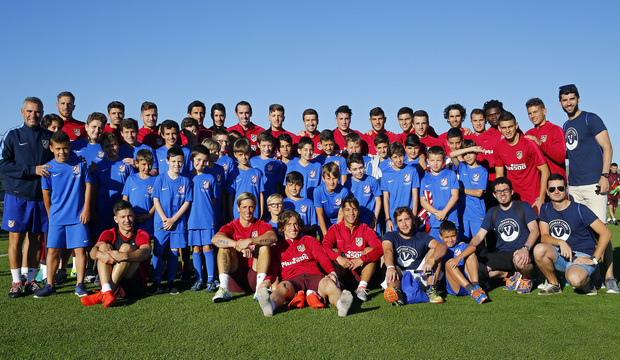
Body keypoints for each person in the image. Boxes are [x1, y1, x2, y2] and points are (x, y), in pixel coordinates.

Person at [559, 84, 616, 289]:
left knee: (601, 231)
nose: (569, 103)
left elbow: (607, 147)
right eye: (565, 100)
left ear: (578, 99)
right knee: (584, 234)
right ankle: (595, 275)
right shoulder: (565, 126)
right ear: (560, 103)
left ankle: (610, 278)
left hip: (594, 184)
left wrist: (604, 175)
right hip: (574, 187)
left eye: (572, 99)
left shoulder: (590, 118)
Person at [1, 97, 53, 297]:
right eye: (30, 111)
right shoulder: (12, 135)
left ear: (42, 112)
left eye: (37, 111)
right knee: (15, 239)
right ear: (22, 112)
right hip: (17, 196)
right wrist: (33, 170)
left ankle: (31, 280)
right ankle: (15, 282)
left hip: (40, 197)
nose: (33, 115)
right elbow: (3, 164)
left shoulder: (49, 136)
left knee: (36, 239)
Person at [256, 210, 353, 317]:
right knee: (282, 287)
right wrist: (267, 281)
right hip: (292, 280)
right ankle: (270, 306)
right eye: (288, 225)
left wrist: (332, 272)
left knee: (329, 284)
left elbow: (322, 257)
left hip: (314, 276)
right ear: (282, 228)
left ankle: (341, 304)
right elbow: (273, 269)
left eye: (295, 224)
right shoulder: (277, 249)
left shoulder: (309, 240)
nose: (293, 228)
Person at [534, 174, 613, 295]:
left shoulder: (580, 209)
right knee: (539, 249)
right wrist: (561, 242)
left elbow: (606, 233)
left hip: (581, 256)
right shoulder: (545, 208)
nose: (556, 192)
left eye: (560, 188)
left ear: (566, 189)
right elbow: (544, 236)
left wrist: (594, 259)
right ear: (547, 192)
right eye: (552, 189)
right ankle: (554, 284)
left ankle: (588, 283)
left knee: (575, 279)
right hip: (560, 254)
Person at [35, 131, 92, 298]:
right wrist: (50, 213)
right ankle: (49, 285)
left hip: (77, 217)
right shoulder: (48, 168)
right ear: (52, 148)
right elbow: (46, 194)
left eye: (65, 148)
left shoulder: (80, 164)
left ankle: (80, 285)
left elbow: (88, 185)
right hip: (57, 217)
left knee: (80, 250)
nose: (62, 152)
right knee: (52, 251)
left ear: (70, 147)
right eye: (58, 148)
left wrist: (86, 208)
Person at [462, 177, 539, 294]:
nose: (502, 193)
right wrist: (468, 248)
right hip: (502, 254)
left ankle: (526, 279)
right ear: (494, 195)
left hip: (521, 251)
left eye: (505, 190)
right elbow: (479, 236)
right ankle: (510, 275)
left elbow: (535, 230)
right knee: (476, 270)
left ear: (512, 191)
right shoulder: (492, 211)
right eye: (498, 191)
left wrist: (526, 248)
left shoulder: (523, 206)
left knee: (520, 260)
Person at [80, 200, 152, 307]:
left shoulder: (141, 234)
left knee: (126, 248)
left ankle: (104, 292)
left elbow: (146, 252)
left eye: (130, 216)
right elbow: (93, 252)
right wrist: (101, 255)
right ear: (116, 219)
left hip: (133, 285)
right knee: (103, 247)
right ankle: (107, 291)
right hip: (113, 281)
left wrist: (124, 255)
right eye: (122, 217)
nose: (127, 220)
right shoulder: (109, 233)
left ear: (134, 216)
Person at [211, 193, 277, 302]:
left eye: (251, 207)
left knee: (264, 247)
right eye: (244, 207)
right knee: (224, 247)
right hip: (236, 276)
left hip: (254, 274)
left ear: (255, 208)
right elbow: (215, 239)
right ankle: (224, 288)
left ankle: (260, 289)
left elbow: (273, 237)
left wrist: (250, 241)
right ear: (238, 208)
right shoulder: (232, 226)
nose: (248, 211)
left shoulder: (260, 224)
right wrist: (237, 245)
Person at [322, 196, 383, 302]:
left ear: (358, 211)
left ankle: (362, 289)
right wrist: (339, 258)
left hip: (361, 273)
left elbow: (379, 249)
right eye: (347, 210)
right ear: (342, 212)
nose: (351, 213)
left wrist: (362, 259)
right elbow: (325, 247)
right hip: (343, 274)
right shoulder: (335, 229)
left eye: (354, 209)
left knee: (370, 250)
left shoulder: (365, 229)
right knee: (334, 251)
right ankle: (337, 288)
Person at [382, 207, 447, 305]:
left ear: (413, 221)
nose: (404, 224)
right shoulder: (390, 236)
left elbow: (442, 247)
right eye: (400, 221)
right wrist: (390, 267)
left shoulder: (422, 236)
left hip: (421, 274)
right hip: (400, 276)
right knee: (392, 266)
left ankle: (431, 290)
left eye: (407, 219)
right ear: (396, 224)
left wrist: (431, 261)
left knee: (435, 250)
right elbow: (388, 250)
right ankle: (396, 293)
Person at [150, 147, 193, 295]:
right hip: (161, 222)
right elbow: (156, 200)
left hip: (178, 223)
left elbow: (187, 202)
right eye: (174, 161)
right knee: (158, 250)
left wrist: (174, 219)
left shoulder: (185, 180)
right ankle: (156, 282)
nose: (177, 164)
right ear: (167, 161)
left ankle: (171, 282)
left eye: (180, 161)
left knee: (175, 251)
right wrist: (164, 219)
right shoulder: (160, 179)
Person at [494, 111, 550, 212]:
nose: (507, 130)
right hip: (514, 200)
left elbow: (545, 171)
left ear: (516, 125)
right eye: (504, 128)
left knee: (536, 227)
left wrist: (542, 198)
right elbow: (499, 176)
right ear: (499, 128)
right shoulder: (498, 147)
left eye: (510, 126)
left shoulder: (529, 143)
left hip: (534, 198)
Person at [187, 145, 218, 292]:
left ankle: (210, 279)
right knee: (196, 248)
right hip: (192, 219)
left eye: (205, 161)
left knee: (208, 246)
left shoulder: (210, 177)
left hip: (207, 218)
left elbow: (213, 199)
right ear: (193, 159)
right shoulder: (186, 177)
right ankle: (199, 279)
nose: (201, 164)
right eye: (198, 160)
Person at [449, 140, 488, 240]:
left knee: (478, 243)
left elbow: (479, 193)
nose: (468, 156)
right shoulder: (462, 167)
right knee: (464, 241)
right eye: (465, 154)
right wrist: (470, 149)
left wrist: (461, 190)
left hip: (476, 213)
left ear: (476, 153)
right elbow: (452, 154)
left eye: (471, 153)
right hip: (463, 213)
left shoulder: (482, 170)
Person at [419, 146, 460, 238]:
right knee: (437, 249)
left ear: (443, 161)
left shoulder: (450, 174)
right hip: (434, 220)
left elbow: (455, 196)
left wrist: (444, 212)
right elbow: (423, 201)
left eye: (438, 160)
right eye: (432, 160)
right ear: (428, 161)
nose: (435, 163)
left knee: (453, 247)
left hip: (450, 218)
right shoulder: (425, 179)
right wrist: (437, 213)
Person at [524, 98, 566, 180]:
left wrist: (540, 144)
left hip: (555, 184)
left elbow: (561, 157)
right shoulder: (528, 134)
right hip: (538, 185)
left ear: (544, 111)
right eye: (529, 113)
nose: (532, 116)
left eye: (535, 112)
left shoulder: (555, 130)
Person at [382, 142, 420, 232]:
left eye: (401, 156)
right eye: (395, 157)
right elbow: (386, 198)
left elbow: (415, 196)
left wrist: (414, 217)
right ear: (390, 158)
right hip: (393, 218)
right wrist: (388, 219)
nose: (399, 160)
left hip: (409, 218)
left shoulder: (412, 171)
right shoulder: (386, 174)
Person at [227, 138, 264, 220]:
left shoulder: (257, 172)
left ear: (250, 153)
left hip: (255, 212)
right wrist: (231, 214)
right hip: (238, 213)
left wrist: (261, 212)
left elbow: (260, 193)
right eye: (240, 154)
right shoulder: (233, 173)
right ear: (235, 154)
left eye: (246, 154)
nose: (244, 157)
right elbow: (230, 196)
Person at [122, 149, 156, 237]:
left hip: (148, 219)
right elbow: (125, 199)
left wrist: (148, 215)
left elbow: (157, 202)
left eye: (149, 164)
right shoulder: (131, 179)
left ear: (153, 163)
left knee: (147, 243)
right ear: (137, 164)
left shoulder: (156, 180)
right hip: (132, 219)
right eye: (143, 164)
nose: (147, 167)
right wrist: (130, 215)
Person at [344, 153, 382, 231]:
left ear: (364, 165)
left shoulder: (372, 180)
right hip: (356, 221)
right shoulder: (348, 184)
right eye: (355, 169)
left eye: (361, 167)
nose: (359, 171)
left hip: (371, 219)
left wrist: (374, 220)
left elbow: (378, 201)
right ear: (349, 170)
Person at [313, 162, 350, 236]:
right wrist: (326, 235)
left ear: (339, 177)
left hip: (338, 220)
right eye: (328, 178)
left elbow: (341, 213)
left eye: (334, 178)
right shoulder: (317, 191)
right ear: (323, 178)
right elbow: (320, 215)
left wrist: (335, 232)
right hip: (324, 220)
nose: (331, 182)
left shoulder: (344, 191)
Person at [249, 131, 285, 204]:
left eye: (269, 145)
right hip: (256, 199)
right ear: (258, 145)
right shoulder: (252, 161)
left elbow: (278, 184)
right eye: (264, 145)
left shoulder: (278, 163)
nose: (267, 148)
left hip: (271, 200)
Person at [284, 136, 322, 201]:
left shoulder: (317, 166)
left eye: (311, 150)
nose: (308, 152)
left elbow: (321, 187)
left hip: (313, 204)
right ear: (299, 151)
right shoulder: (292, 167)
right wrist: (294, 202)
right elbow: (286, 188)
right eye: (305, 149)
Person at [282, 171, 318, 236]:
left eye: (297, 185)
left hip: (304, 240)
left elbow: (314, 226)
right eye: (290, 185)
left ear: (302, 186)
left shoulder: (309, 203)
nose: (294, 188)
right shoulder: (283, 203)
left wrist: (301, 229)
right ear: (286, 186)